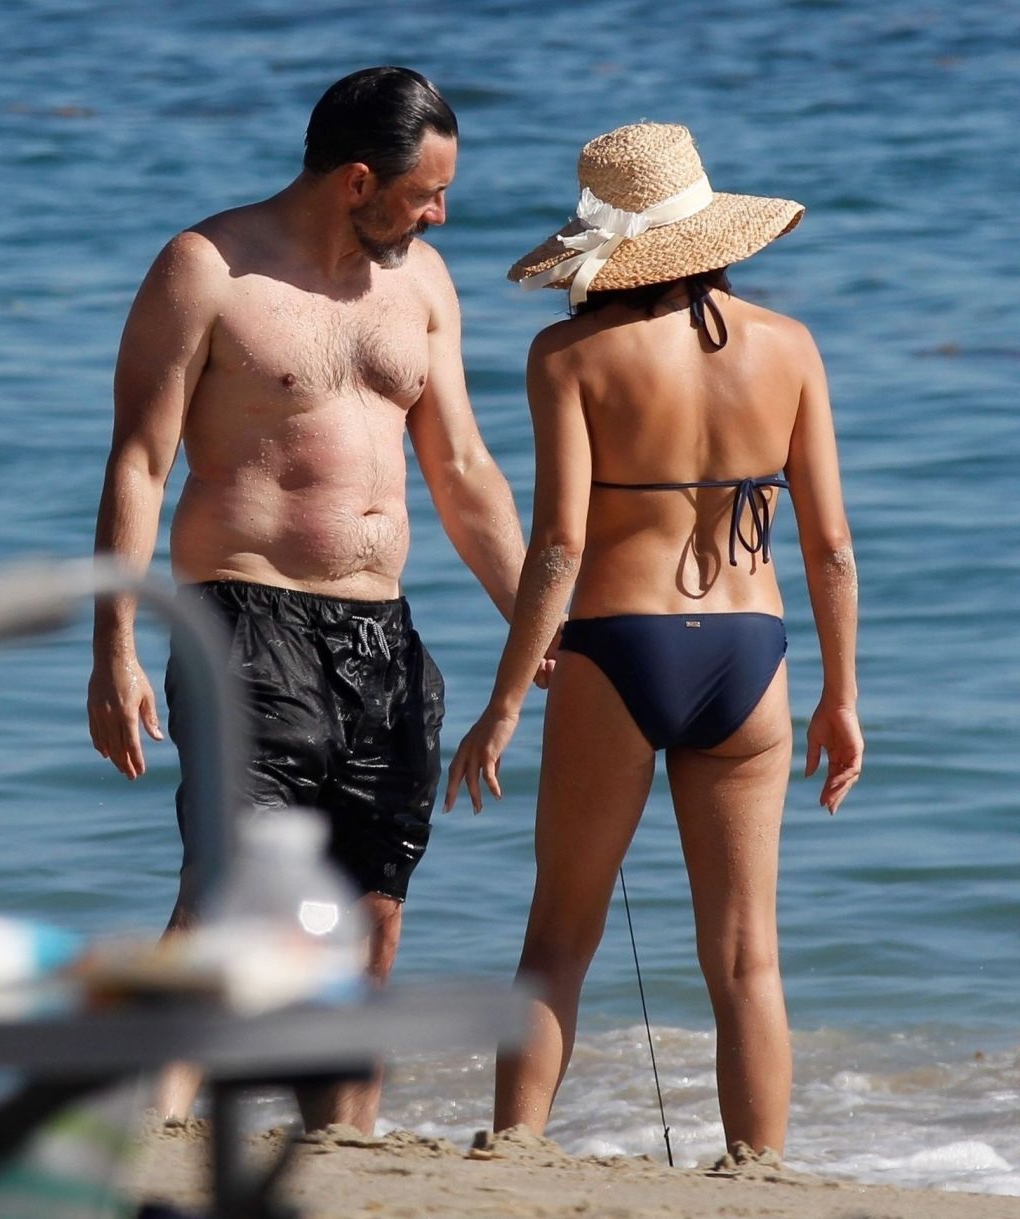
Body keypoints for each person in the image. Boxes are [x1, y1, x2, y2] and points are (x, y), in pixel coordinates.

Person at [87, 66, 531, 1135]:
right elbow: (140, 461)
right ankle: (152, 1129)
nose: (440, 214)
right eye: (426, 193)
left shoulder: (422, 283)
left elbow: (463, 468)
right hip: (245, 619)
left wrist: (534, 618)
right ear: (357, 180)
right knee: (230, 891)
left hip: (383, 633)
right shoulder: (208, 268)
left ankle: (346, 1140)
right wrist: (116, 645)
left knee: (373, 906)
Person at [445, 121, 863, 1156]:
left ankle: (515, 1157)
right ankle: (761, 1174)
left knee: (557, 939)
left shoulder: (566, 356)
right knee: (747, 958)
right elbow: (831, 547)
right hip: (751, 655)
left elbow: (559, 544)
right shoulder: (791, 346)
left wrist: (504, 701)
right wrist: (841, 695)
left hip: (619, 648)